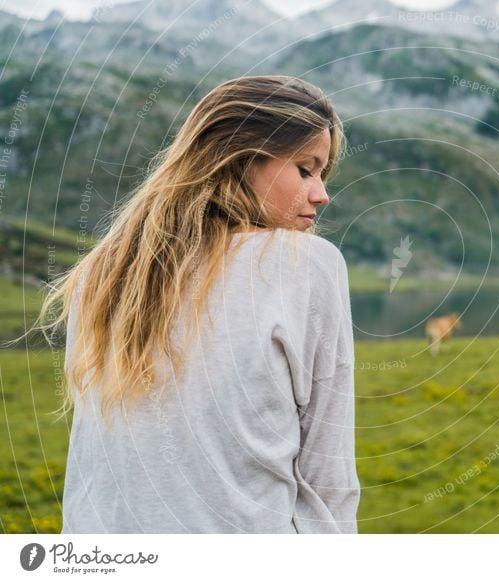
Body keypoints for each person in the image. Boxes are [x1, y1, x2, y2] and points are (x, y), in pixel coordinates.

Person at [26, 75, 360, 533]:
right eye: (306, 168)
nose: (320, 193)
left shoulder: (104, 271)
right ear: (241, 157)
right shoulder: (303, 265)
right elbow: (328, 478)